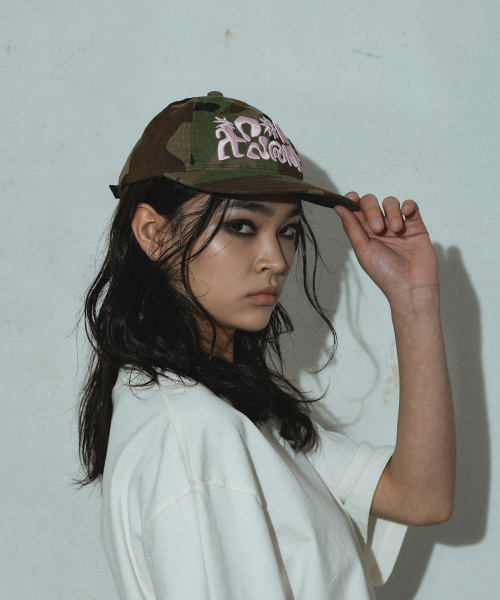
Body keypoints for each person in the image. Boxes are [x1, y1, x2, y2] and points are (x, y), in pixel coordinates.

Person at [77, 92, 456, 600]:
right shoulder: (195, 433)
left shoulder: (230, 409)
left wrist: (413, 297)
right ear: (153, 233)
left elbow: (420, 496)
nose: (276, 259)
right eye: (241, 226)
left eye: (289, 231)